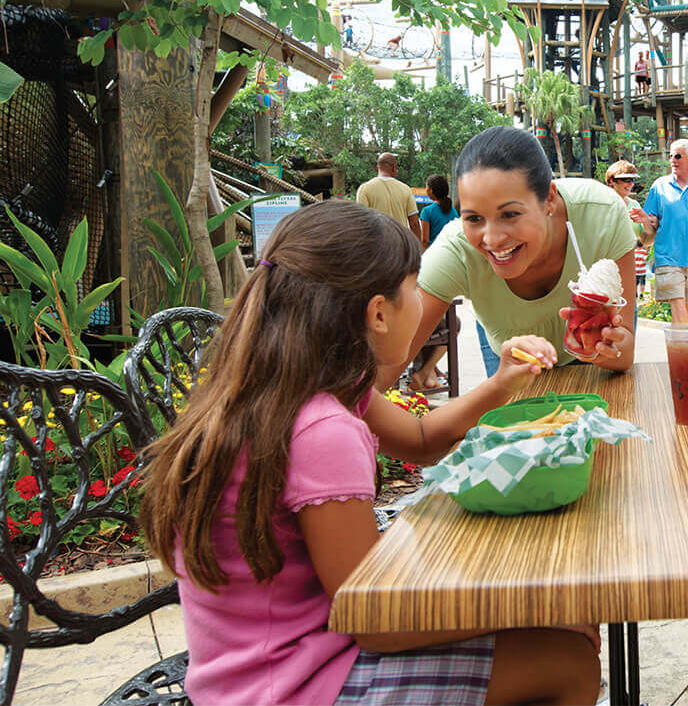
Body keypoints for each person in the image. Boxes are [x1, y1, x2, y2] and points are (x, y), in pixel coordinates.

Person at [138, 200, 600, 706]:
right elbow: (373, 620)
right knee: (567, 658)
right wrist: (519, 603)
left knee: (560, 626)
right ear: (378, 313)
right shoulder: (321, 430)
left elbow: (421, 441)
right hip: (291, 685)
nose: (425, 305)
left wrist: (501, 382)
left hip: (264, 666)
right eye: (414, 291)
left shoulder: (296, 387)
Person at [399, 126, 637, 380]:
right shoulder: (457, 249)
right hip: (508, 353)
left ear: (549, 198)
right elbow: (384, 365)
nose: (492, 238)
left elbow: (625, 353)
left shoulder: (602, 214)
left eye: (510, 214)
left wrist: (602, 347)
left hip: (592, 369)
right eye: (474, 218)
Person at [631, 139, 688, 327]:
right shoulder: (659, 186)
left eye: (678, 156)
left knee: (682, 317)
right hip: (668, 258)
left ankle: (678, 354)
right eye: (670, 156)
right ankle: (686, 354)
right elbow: (651, 226)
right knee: (679, 310)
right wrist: (644, 220)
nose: (673, 160)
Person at [408, 174, 460, 392]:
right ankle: (431, 372)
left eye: (427, 186)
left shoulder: (428, 211)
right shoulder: (453, 212)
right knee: (448, 321)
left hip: (432, 265)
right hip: (452, 264)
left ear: (430, 191)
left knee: (429, 321)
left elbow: (424, 240)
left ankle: (425, 372)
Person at [605, 159, 654, 301]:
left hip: (628, 265)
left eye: (632, 180)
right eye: (626, 179)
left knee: (629, 307)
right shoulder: (602, 203)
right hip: (606, 266)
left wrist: (646, 222)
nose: (631, 184)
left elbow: (646, 240)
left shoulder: (634, 204)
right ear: (611, 181)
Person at [355, 153, 419, 238]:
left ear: (378, 168)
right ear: (394, 167)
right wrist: (419, 247)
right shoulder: (405, 189)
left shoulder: (364, 189)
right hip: (401, 244)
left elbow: (361, 222)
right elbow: (414, 223)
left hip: (378, 245)